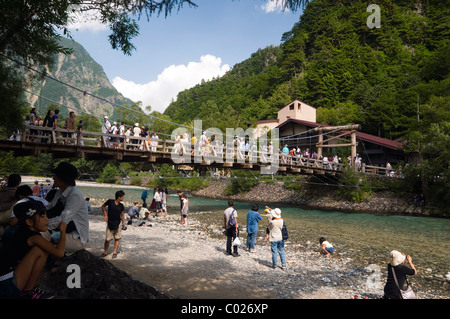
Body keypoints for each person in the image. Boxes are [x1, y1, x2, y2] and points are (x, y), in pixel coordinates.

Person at [0, 199, 67, 299]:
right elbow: (60, 253)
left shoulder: (22, 232)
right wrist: (63, 232)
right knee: (41, 250)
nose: (47, 219)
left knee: (42, 248)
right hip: (6, 287)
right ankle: (28, 291)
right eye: (42, 217)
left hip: (4, 282)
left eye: (46, 216)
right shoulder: (34, 237)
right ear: (29, 222)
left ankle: (28, 291)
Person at [42, 162, 89, 254]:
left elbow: (62, 220)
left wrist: (42, 224)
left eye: (56, 175)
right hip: (65, 232)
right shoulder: (60, 191)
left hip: (75, 237)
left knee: (40, 235)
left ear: (63, 179)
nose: (53, 178)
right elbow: (49, 206)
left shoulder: (74, 195)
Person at [101, 190, 126, 259]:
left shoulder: (121, 205)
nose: (123, 198)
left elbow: (122, 215)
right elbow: (102, 206)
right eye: (122, 197)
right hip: (110, 222)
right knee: (107, 239)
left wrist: (123, 224)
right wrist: (105, 215)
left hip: (118, 223)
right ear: (119, 197)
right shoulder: (110, 202)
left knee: (117, 238)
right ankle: (105, 252)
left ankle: (115, 252)